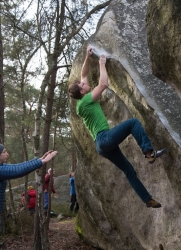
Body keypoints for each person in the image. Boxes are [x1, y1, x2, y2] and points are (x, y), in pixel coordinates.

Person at [68, 46, 166, 208]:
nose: (84, 83)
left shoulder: (82, 99)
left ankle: (147, 199)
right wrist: (101, 63)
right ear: (82, 91)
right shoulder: (85, 101)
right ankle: (149, 153)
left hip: (102, 146)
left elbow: (83, 74)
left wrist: (87, 57)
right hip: (104, 139)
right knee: (133, 123)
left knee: (129, 170)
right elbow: (104, 83)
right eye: (82, 85)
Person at [0, 144, 57, 214]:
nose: (7, 154)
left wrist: (40, 159)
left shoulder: (2, 166)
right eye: (4, 152)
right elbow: (17, 170)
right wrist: (42, 161)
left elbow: (18, 166)